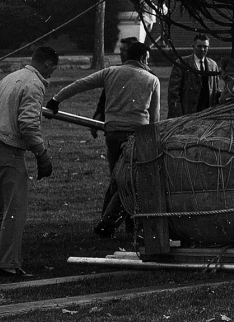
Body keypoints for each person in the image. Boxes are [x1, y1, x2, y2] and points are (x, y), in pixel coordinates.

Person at [49, 37, 161, 239]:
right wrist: (154, 142)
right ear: (144, 57)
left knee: (118, 179)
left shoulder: (111, 73)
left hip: (112, 134)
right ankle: (109, 223)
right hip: (136, 136)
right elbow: (155, 117)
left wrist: (56, 99)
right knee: (131, 181)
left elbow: (81, 84)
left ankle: (124, 223)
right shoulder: (151, 79)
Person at [0, 46, 58, 276]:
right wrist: (42, 155)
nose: (52, 74)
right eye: (53, 68)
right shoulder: (34, 84)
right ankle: (8, 265)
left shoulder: (10, 78)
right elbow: (28, 125)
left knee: (3, 209)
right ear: (46, 64)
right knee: (15, 210)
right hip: (8, 150)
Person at [167, 34, 220, 117]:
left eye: (205, 47)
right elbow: (173, 93)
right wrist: (178, 116)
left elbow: (215, 91)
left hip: (207, 115)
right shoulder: (181, 63)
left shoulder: (213, 65)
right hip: (186, 115)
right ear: (193, 46)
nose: (202, 49)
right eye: (199, 46)